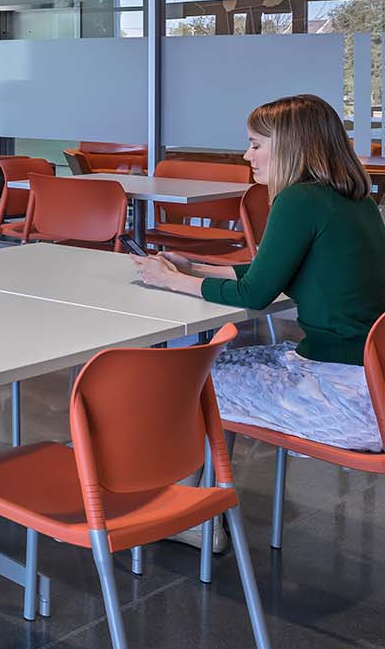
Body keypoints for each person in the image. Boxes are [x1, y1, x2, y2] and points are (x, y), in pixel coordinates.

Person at [133, 93, 385, 454]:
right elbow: (271, 272)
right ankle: (210, 496)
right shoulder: (355, 200)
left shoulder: (298, 200)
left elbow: (255, 294)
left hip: (345, 398)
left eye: (255, 145)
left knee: (186, 379)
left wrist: (169, 279)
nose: (246, 155)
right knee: (209, 367)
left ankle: (198, 503)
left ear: (289, 147)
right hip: (371, 381)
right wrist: (195, 267)